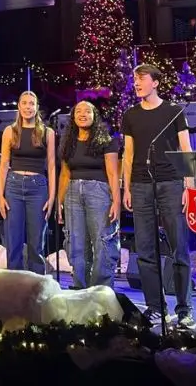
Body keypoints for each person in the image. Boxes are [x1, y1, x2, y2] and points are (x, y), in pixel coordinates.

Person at [121, 64, 194, 326]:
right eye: (135, 79)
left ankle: (184, 308)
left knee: (178, 247)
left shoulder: (174, 112)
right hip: (141, 185)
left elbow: (185, 148)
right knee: (145, 249)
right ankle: (155, 306)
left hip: (171, 183)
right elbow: (128, 154)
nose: (137, 83)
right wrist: (127, 187)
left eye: (142, 79)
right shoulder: (130, 115)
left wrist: (189, 185)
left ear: (155, 83)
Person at [57, 101, 121, 288]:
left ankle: (101, 290)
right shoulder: (68, 142)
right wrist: (59, 202)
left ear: (94, 116)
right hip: (72, 193)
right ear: (73, 116)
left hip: (98, 192)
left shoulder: (106, 141)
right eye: (78, 111)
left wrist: (116, 201)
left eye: (87, 111)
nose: (82, 114)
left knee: (102, 240)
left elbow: (113, 173)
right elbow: (65, 174)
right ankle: (80, 287)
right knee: (76, 242)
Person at [0, 91, 56, 274]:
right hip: (13, 186)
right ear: (19, 106)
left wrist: (52, 197)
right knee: (13, 240)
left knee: (36, 241)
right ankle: (14, 284)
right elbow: (4, 164)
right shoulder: (10, 131)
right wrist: (0, 195)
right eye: (24, 103)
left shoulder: (47, 132)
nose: (28, 107)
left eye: (32, 103)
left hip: (38, 188)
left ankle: (37, 284)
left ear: (37, 107)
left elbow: (51, 166)